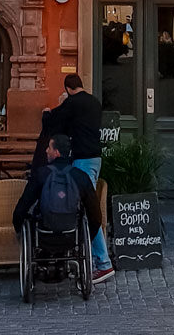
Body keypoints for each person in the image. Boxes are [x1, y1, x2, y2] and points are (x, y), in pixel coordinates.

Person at [43, 73, 113, 283]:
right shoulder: (94, 102)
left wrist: (46, 114)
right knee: (87, 208)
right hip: (96, 159)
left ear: (68, 89)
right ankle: (90, 259)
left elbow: (54, 121)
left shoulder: (72, 103)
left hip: (82, 160)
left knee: (88, 210)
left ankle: (103, 263)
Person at [12, 133, 102, 248]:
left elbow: (23, 205)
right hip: (72, 236)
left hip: (43, 235)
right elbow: (95, 215)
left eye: (49, 147)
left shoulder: (41, 174)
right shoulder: (81, 177)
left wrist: (18, 227)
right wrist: (86, 237)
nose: (46, 151)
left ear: (57, 152)